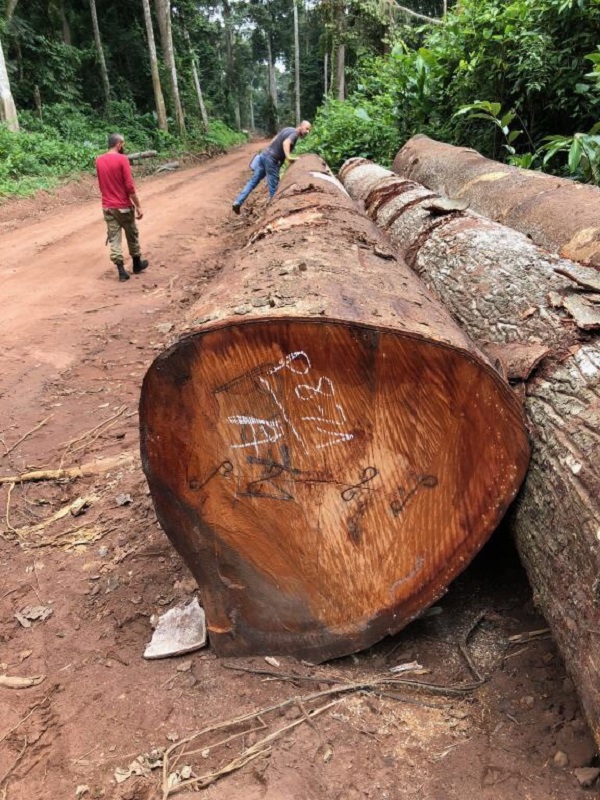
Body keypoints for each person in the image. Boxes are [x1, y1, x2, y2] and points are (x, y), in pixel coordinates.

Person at [96, 133, 148, 282]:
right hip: (123, 206)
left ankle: (121, 271)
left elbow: (101, 184)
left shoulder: (99, 160)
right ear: (118, 144)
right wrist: (138, 206)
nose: (123, 146)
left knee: (114, 238)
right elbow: (129, 186)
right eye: (123, 144)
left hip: (107, 207)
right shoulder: (123, 159)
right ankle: (137, 264)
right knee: (132, 233)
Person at [232, 120, 312, 214]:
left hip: (264, 155)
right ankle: (273, 213)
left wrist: (267, 151)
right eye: (306, 129)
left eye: (309, 130)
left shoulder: (287, 129)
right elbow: (286, 143)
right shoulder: (294, 134)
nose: (307, 132)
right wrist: (288, 156)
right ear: (300, 126)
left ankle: (238, 201)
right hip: (272, 160)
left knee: (253, 181)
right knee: (274, 188)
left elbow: (275, 139)